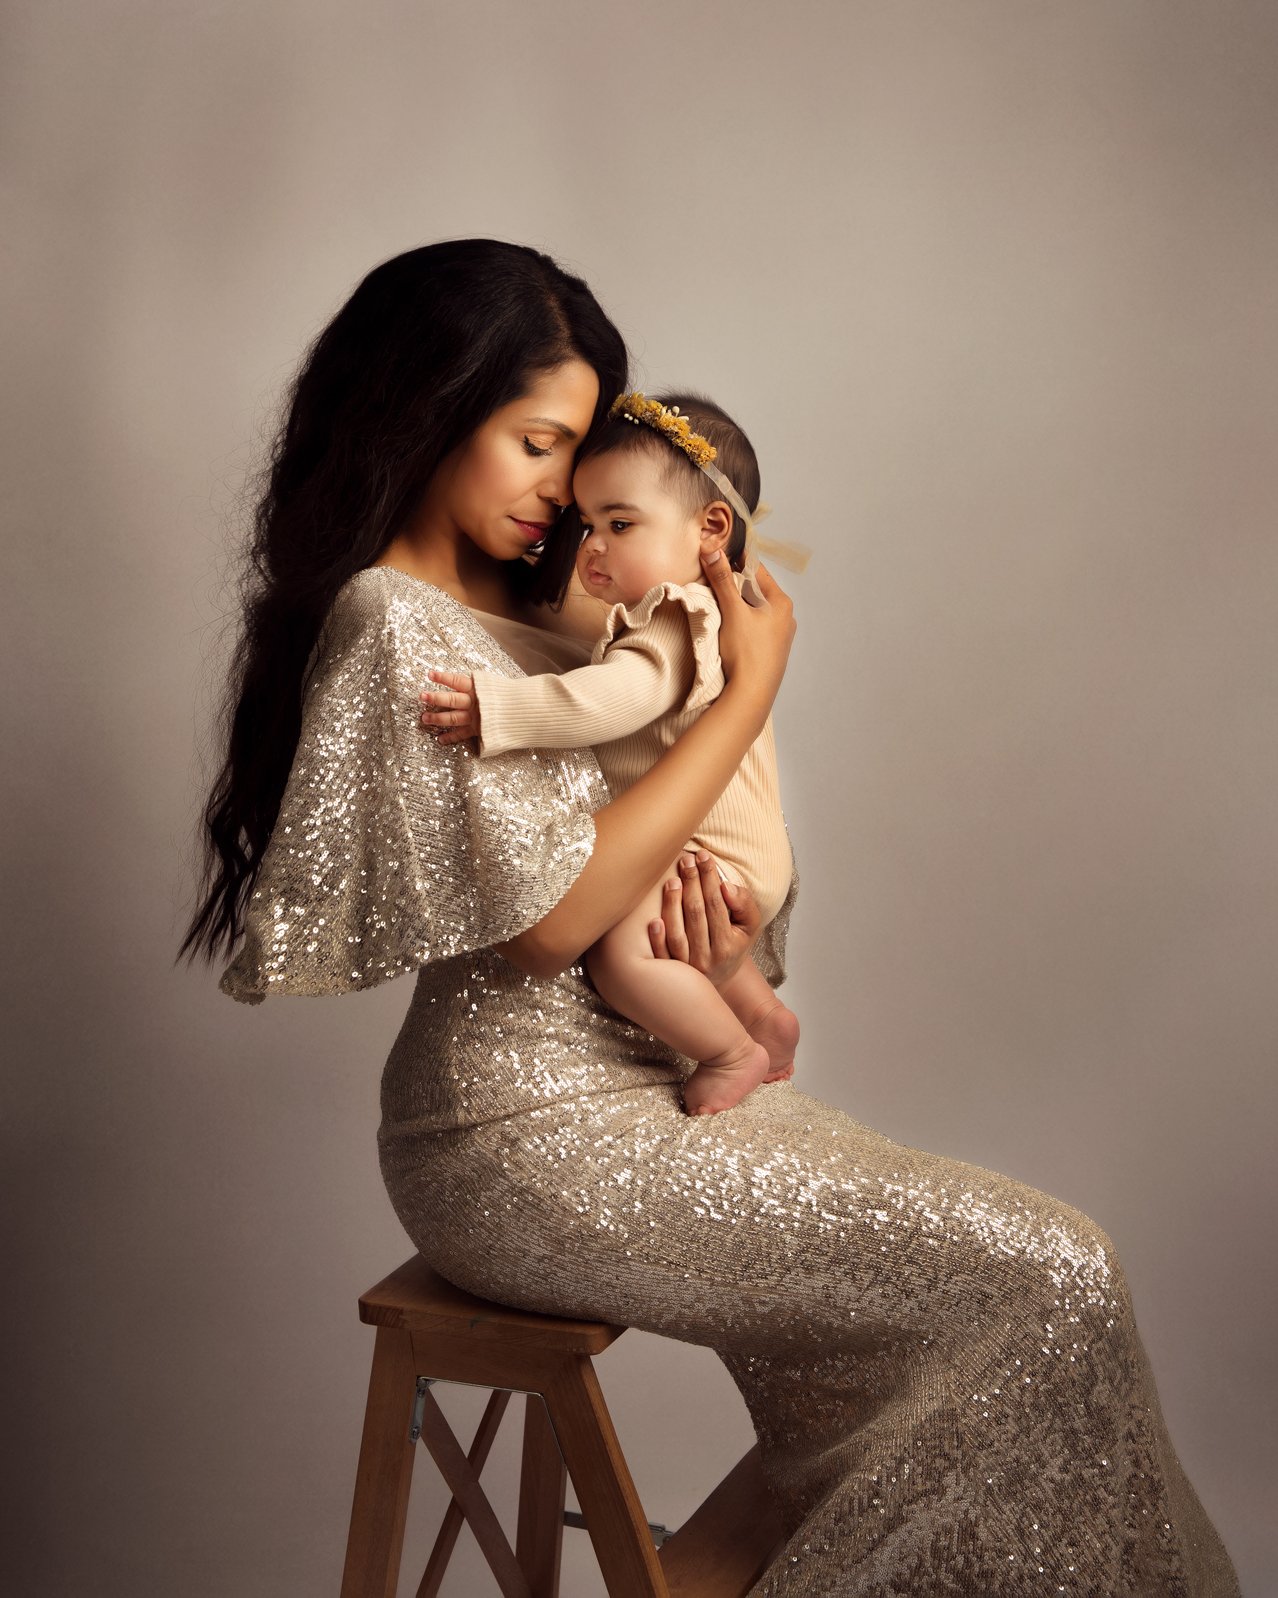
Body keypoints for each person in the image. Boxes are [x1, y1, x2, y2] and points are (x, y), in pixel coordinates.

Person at [183, 239, 1239, 1595]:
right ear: (426, 407)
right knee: (1049, 1274)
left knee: (1005, 1297)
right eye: (532, 442)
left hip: (652, 1078)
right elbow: (552, 924)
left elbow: (642, 821)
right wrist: (750, 687)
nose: (561, 492)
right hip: (514, 1134)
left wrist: (705, 904)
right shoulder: (396, 620)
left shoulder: (544, 602)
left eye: (576, 458)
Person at [419, 388, 800, 1116]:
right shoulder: (715, 614)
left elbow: (617, 698)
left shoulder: (673, 615)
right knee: (682, 932)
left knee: (622, 951)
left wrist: (496, 708)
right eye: (587, 524)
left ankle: (731, 1051)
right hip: (733, 851)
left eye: (620, 524)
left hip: (709, 850)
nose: (592, 547)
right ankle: (766, 1019)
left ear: (710, 528)